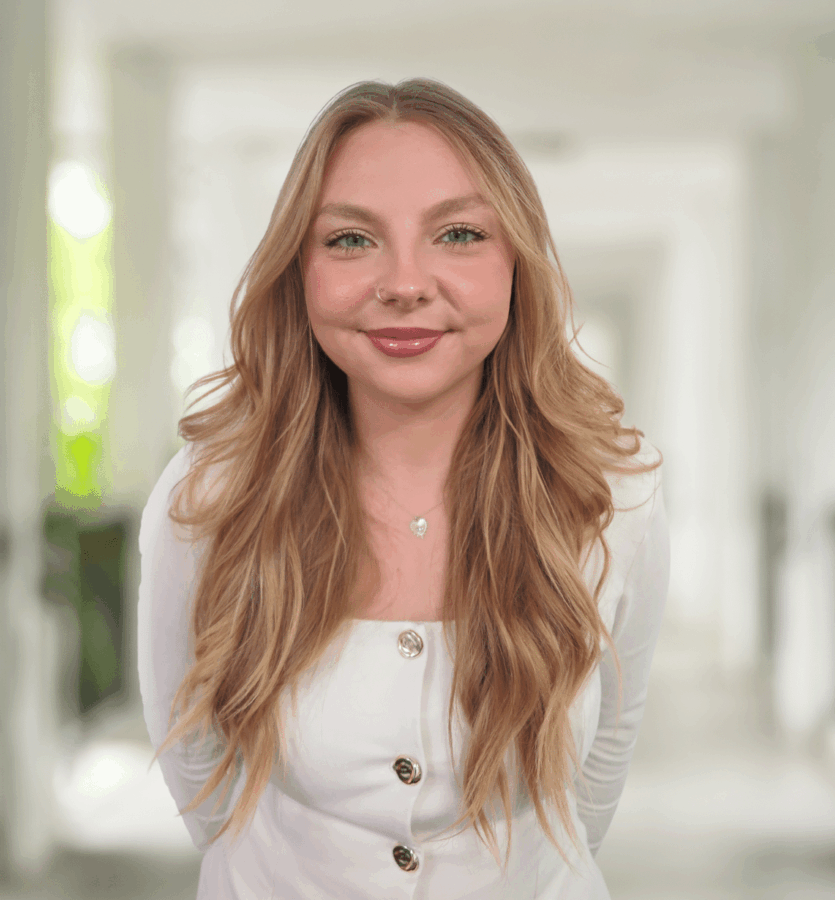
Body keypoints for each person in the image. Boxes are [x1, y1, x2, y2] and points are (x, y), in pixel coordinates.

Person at [138, 77, 670, 900]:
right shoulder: (211, 495)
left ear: (517, 263)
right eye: (352, 240)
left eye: (458, 234)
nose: (405, 282)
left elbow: (594, 778)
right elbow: (196, 766)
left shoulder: (613, 498)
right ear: (298, 267)